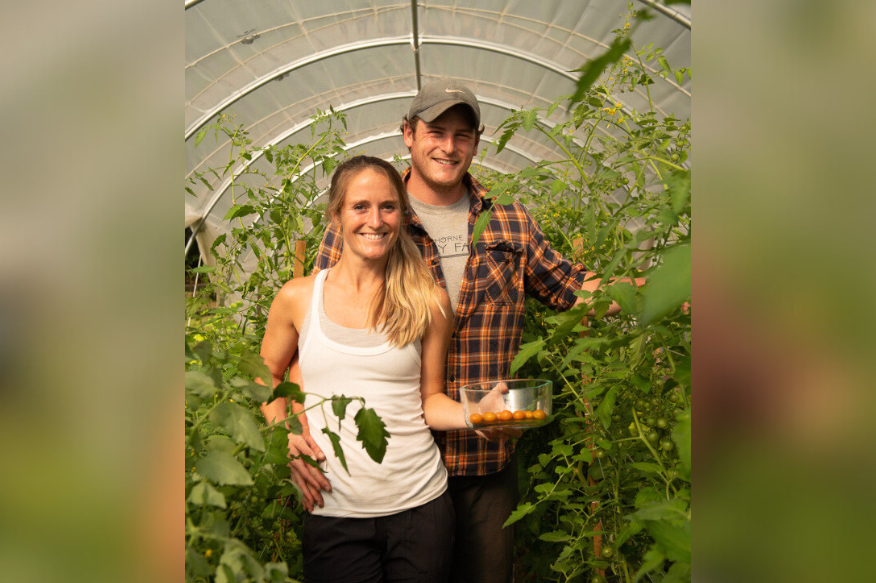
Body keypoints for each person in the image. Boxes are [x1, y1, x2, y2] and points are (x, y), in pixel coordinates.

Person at [287, 80, 644, 583]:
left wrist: (655, 289)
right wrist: (298, 428)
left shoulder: (509, 224)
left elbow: (573, 288)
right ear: (408, 134)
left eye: (462, 135)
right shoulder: (373, 220)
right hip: (384, 460)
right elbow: (312, 339)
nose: (448, 147)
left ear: (477, 142)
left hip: (481, 455)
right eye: (435, 131)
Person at [259, 155, 476, 583]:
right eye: (360, 206)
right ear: (336, 214)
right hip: (333, 509)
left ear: (402, 214)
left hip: (421, 507)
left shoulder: (428, 299)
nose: (375, 220)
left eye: (388, 207)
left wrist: (479, 413)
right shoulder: (298, 298)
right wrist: (284, 436)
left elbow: (429, 400)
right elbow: (265, 374)